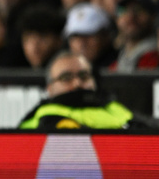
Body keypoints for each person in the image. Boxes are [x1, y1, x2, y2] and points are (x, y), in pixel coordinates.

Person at [19, 50, 158, 130]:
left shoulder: (112, 105)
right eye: (66, 78)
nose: (78, 83)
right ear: (49, 88)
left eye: (84, 76)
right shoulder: (46, 117)